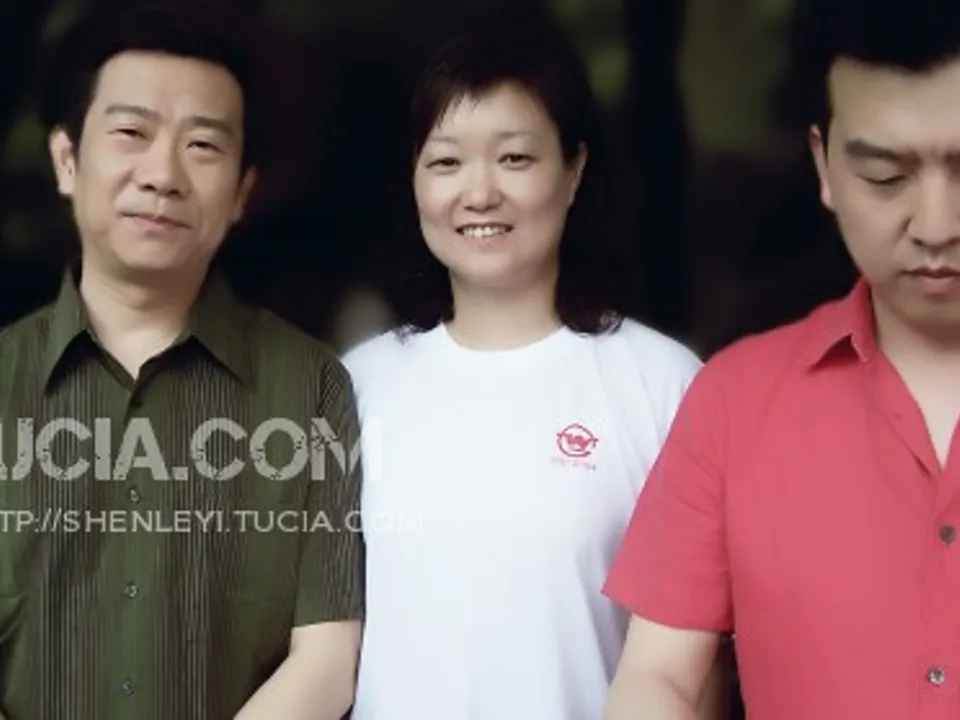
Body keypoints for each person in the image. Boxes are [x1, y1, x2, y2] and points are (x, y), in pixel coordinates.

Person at [342, 8, 724, 719]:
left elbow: (699, 670)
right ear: (414, 180)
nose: (479, 193)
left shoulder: (663, 384)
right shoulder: (356, 386)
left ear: (574, 170)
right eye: (446, 162)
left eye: (514, 158)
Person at [0, 2, 364, 718]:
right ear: (67, 160)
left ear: (242, 192)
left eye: (202, 145)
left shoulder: (311, 386)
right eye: (131, 133)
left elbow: (325, 662)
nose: (163, 174)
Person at [602, 0, 960, 718]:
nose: (935, 226)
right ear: (824, 166)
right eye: (885, 177)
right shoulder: (734, 401)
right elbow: (660, 676)